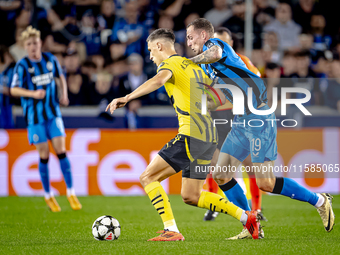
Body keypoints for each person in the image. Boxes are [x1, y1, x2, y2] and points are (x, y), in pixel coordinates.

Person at [106, 28, 261, 241]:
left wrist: (127, 97)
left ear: (160, 46)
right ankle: (247, 217)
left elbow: (159, 80)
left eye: (151, 50)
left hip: (191, 134)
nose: (151, 56)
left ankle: (171, 229)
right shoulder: (196, 67)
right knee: (191, 195)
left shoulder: (170, 63)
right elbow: (217, 99)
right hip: (209, 137)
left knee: (148, 177)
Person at [186, 18, 335, 238]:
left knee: (266, 182)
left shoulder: (215, 45)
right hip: (240, 120)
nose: (188, 42)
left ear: (203, 35)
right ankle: (251, 225)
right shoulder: (209, 68)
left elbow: (215, 54)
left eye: (190, 37)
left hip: (259, 119)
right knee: (221, 174)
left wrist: (189, 62)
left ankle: (320, 200)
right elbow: (220, 97)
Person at [10, 26, 82, 212]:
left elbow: (61, 77)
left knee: (61, 151)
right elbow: (13, 89)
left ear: (40, 43)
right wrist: (33, 94)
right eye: (29, 44)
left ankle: (71, 191)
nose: (33, 46)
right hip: (35, 119)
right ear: (25, 47)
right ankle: (48, 195)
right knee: (44, 155)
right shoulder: (22, 65)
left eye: (35, 42)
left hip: (53, 114)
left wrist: (64, 94)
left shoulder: (51, 59)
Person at [203, 27, 267, 225]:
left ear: (230, 43)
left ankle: (256, 209)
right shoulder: (206, 65)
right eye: (216, 42)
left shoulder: (242, 61)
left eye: (224, 42)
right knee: (213, 165)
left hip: (238, 117)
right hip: (215, 119)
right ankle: (216, 206)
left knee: (250, 165)